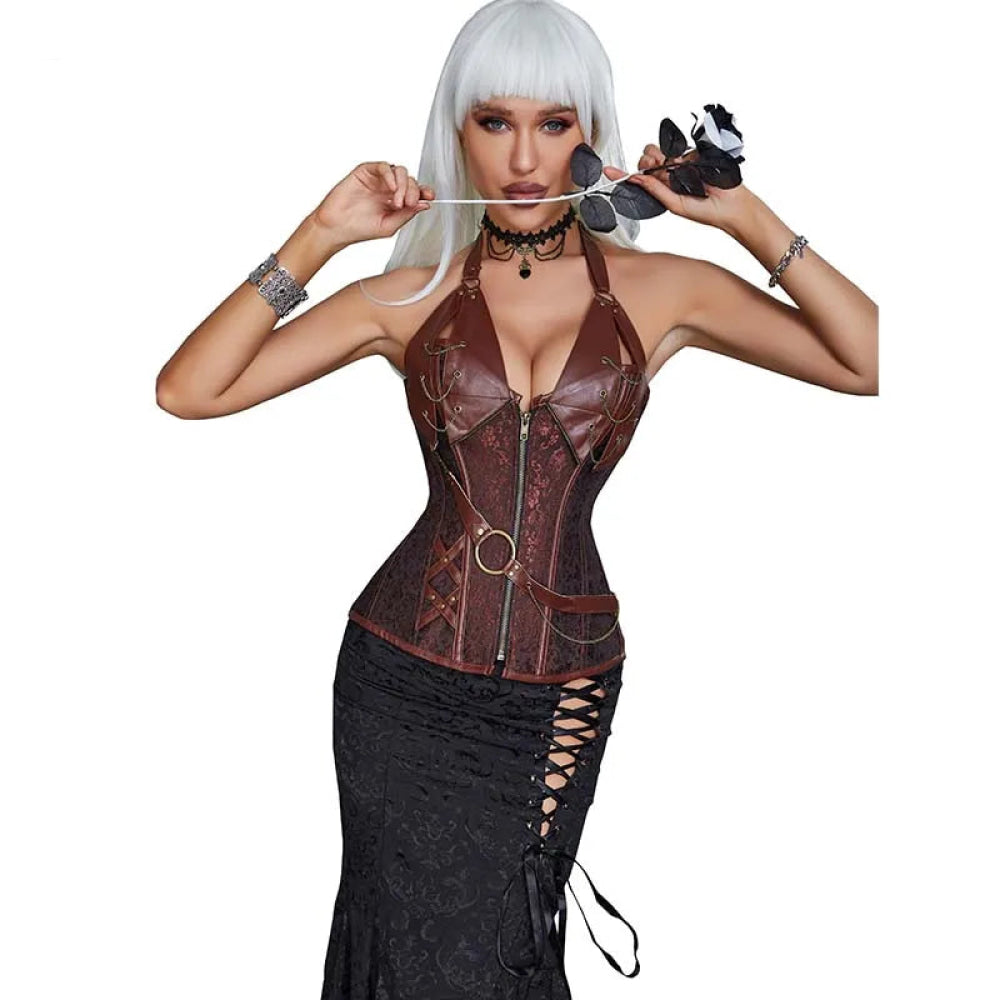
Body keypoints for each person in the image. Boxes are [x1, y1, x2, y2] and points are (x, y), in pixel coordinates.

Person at [155, 0, 878, 996]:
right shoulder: (409, 295)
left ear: (592, 134)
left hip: (559, 686)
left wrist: (744, 216)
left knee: (511, 946)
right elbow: (189, 390)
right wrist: (318, 237)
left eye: (555, 123)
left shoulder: (665, 290)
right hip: (400, 682)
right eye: (495, 122)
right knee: (400, 945)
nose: (525, 158)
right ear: (458, 133)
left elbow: (871, 361)